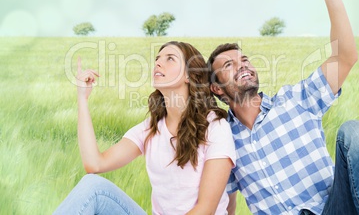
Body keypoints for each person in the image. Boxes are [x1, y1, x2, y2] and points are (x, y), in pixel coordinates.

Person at [207, 0, 359, 215]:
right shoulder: (223, 139)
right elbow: (223, 200)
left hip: (333, 209)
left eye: (244, 59)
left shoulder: (297, 100)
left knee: (358, 132)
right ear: (217, 88)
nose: (242, 65)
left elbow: (345, 58)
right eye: (229, 65)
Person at [54, 41, 236, 214]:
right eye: (157, 59)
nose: (158, 63)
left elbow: (207, 209)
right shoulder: (150, 129)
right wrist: (82, 99)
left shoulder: (215, 127)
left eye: (170, 58)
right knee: (92, 186)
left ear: (190, 74)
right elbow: (94, 164)